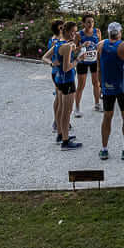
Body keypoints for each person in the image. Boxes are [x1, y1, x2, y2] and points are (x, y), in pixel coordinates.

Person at [97, 22, 124, 161]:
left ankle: (104, 150)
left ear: (108, 32)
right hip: (122, 89)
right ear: (120, 32)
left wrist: (100, 86)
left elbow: (99, 69)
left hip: (107, 87)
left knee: (107, 117)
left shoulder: (101, 45)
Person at [42, 20, 81, 150]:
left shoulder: (58, 43)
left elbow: (45, 57)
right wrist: (78, 60)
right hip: (67, 80)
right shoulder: (68, 46)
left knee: (60, 108)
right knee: (67, 111)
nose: (75, 35)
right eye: (73, 32)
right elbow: (66, 68)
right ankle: (65, 141)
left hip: (59, 79)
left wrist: (52, 64)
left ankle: (61, 134)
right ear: (68, 32)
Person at [73, 14, 101, 115]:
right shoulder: (78, 34)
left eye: (92, 22)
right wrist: (82, 45)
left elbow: (99, 47)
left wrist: (99, 60)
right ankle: (77, 108)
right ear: (84, 23)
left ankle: (97, 104)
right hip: (82, 62)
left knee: (96, 84)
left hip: (94, 61)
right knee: (81, 85)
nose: (90, 24)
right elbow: (73, 50)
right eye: (88, 22)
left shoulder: (97, 32)